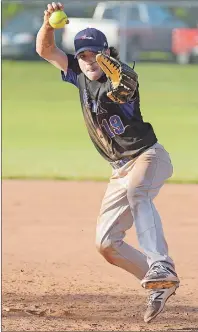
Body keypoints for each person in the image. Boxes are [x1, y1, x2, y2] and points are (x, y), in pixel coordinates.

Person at [36, 2, 180, 323]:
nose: (89, 61)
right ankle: (159, 283)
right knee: (106, 244)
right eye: (83, 55)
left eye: (95, 54)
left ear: (107, 53)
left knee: (138, 194)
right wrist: (49, 24)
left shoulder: (122, 78)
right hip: (120, 171)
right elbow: (46, 50)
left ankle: (162, 263)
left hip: (147, 157)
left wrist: (121, 86)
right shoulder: (77, 72)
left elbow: (124, 90)